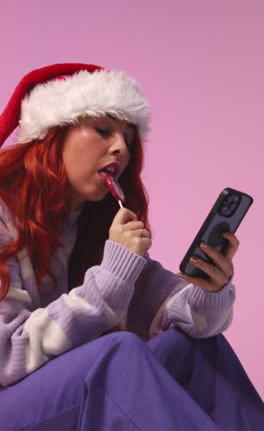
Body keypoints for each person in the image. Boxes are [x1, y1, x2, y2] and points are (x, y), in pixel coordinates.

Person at [0, 63, 262, 430]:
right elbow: (6, 357)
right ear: (52, 134)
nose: (121, 147)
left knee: (195, 347)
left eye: (128, 135)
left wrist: (209, 289)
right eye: (103, 130)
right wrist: (110, 277)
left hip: (56, 397)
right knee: (117, 356)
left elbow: (185, 316)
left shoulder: (94, 227)